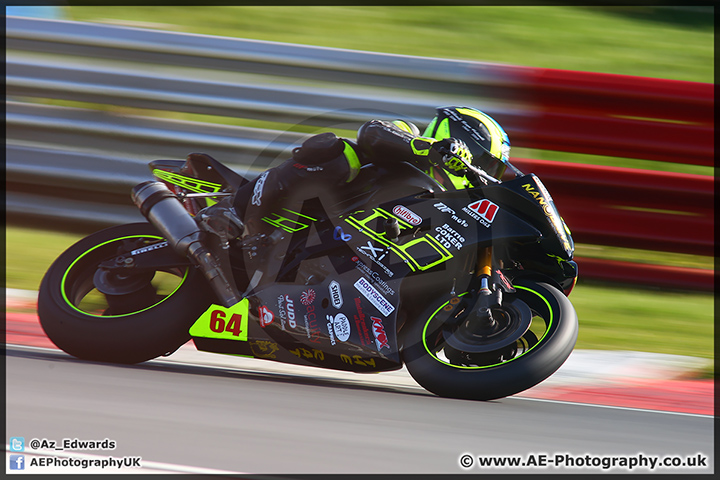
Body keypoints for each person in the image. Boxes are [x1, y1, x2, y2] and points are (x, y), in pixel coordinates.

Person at [197, 106, 511, 239]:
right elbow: (372, 132)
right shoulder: (411, 139)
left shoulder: (447, 203)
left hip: (339, 246)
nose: (483, 173)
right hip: (306, 210)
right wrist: (429, 149)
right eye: (487, 163)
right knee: (339, 151)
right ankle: (235, 208)